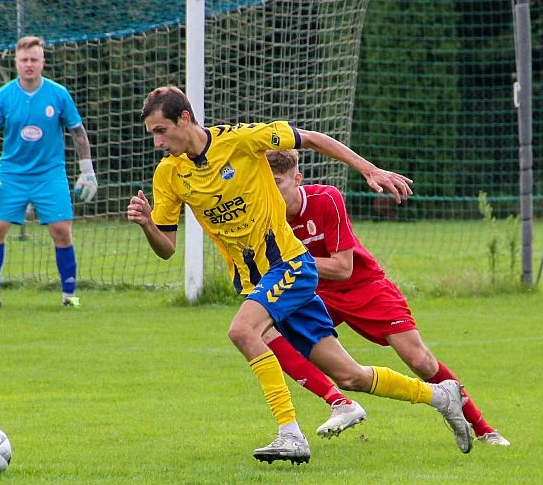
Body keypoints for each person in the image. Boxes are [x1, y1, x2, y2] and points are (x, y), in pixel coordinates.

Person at [127, 86, 473, 464]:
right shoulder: (169, 174)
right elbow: (167, 249)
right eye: (152, 135)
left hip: (290, 266)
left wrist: (368, 169)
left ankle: (290, 434)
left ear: (185, 119)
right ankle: (441, 396)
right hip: (258, 282)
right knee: (350, 377)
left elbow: (311, 138)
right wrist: (147, 224)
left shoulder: (242, 140)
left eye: (161, 131)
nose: (158, 142)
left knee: (243, 331)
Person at [265, 148, 510, 447]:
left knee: (420, 360)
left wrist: (289, 263)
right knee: (266, 332)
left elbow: (343, 268)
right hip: (314, 293)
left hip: (364, 285)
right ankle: (339, 403)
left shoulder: (326, 199)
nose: (271, 191)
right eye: (266, 183)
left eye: (277, 182)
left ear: (297, 179)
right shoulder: (265, 216)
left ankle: (483, 428)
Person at [0, 36, 97, 310]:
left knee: (61, 231)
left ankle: (70, 296)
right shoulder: (3, 96)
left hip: (50, 173)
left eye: (34, 59)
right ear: (16, 63)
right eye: (24, 60)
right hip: (11, 173)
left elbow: (77, 132)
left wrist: (87, 171)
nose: (29, 65)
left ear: (43, 62)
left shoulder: (58, 94)